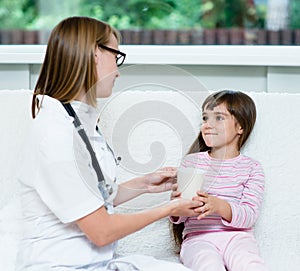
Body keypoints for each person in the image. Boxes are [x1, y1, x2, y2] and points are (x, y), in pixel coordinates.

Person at [15, 16, 202, 271]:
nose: (117, 71)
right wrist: (169, 208)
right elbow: (101, 231)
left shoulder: (78, 121)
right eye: (116, 56)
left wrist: (145, 184)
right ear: (94, 54)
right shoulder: (56, 136)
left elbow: (92, 196)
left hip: (93, 262)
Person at [170, 90, 269, 271]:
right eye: (205, 118)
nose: (207, 125)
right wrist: (177, 204)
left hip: (238, 238)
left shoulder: (252, 168)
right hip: (198, 238)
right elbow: (180, 216)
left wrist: (218, 205)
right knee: (208, 265)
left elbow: (249, 215)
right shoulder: (192, 162)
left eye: (219, 118)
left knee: (249, 264)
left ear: (240, 127)